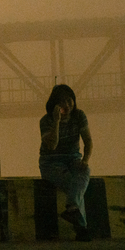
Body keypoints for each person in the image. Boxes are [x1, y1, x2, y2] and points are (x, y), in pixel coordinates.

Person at [39, 84, 93, 241]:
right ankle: (81, 228)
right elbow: (52, 145)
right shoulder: (46, 121)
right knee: (73, 183)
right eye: (62, 102)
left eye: (69, 101)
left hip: (72, 158)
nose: (67, 105)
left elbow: (88, 141)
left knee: (84, 172)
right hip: (51, 162)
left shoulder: (79, 116)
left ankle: (72, 208)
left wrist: (85, 160)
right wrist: (56, 122)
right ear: (54, 104)